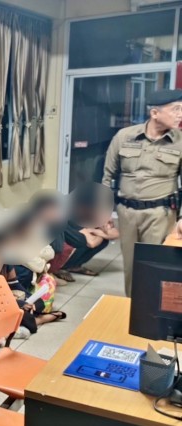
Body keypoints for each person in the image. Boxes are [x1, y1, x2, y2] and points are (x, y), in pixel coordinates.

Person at [102, 89, 182, 295]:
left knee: (156, 266)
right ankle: (132, 306)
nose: (180, 114)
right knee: (131, 267)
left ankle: (152, 310)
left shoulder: (180, 142)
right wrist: (103, 211)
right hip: (126, 213)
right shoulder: (124, 136)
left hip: (160, 214)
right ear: (155, 113)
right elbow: (107, 177)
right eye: (175, 109)